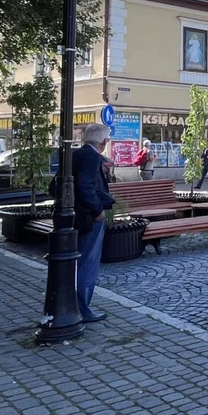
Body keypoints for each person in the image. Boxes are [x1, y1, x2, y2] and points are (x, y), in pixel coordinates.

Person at [72, 123, 116, 323]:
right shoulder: (91, 156)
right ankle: (82, 307)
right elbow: (85, 185)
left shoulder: (77, 154)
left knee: (78, 261)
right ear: (104, 142)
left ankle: (76, 305)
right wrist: (97, 209)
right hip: (88, 217)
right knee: (87, 263)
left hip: (75, 216)